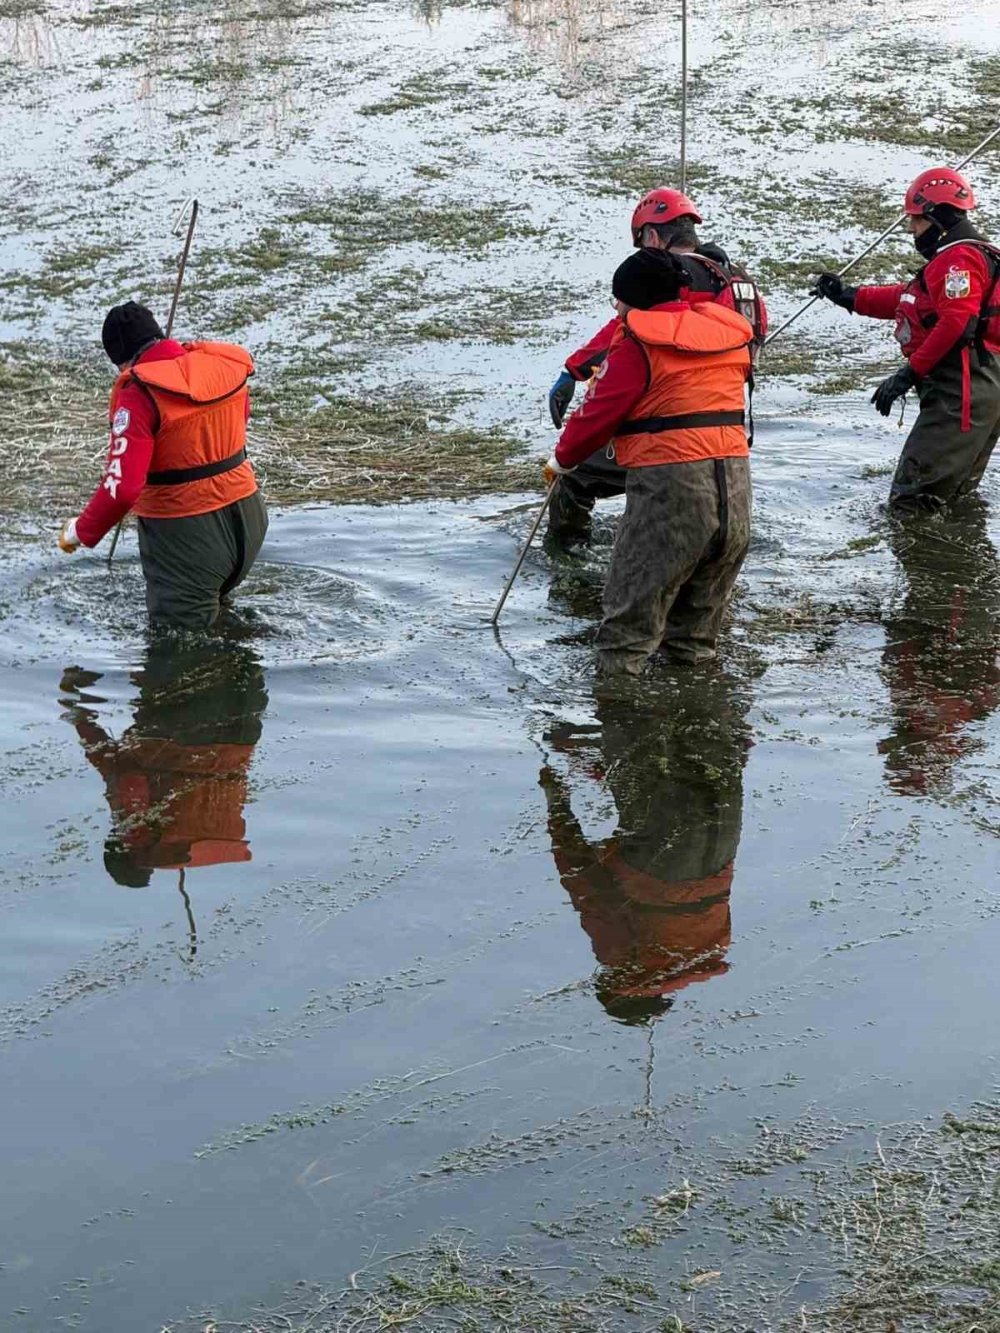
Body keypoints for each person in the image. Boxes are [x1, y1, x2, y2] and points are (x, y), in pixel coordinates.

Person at [545, 248, 754, 675]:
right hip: (735, 490)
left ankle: (620, 724)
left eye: (618, 300)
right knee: (694, 642)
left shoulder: (638, 344)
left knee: (625, 638)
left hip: (673, 493)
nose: (617, 309)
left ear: (634, 301)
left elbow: (599, 414)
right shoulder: (728, 337)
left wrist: (561, 459)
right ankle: (701, 728)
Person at [546, 187, 766, 541]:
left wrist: (574, 370)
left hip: (672, 439)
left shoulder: (673, 281)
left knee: (574, 478)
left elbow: (630, 332)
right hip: (732, 441)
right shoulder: (739, 284)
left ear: (651, 235)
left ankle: (569, 560)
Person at [540, 672, 749, 1024]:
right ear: (613, 985)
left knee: (702, 732)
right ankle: (623, 681)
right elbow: (584, 885)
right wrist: (556, 803)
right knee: (630, 731)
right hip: (660, 859)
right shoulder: (625, 962)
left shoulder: (711, 951)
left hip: (722, 843)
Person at [57, 301, 268, 628]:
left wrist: (80, 531)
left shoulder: (138, 394)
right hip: (250, 520)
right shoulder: (221, 366)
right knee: (221, 628)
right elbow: (239, 420)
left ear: (122, 360)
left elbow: (123, 488)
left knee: (177, 657)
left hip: (189, 538)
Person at [814, 167, 1000, 515]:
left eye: (917, 221)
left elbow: (957, 323)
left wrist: (907, 375)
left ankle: (925, 565)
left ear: (937, 218)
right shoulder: (968, 256)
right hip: (980, 389)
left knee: (911, 502)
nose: (912, 229)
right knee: (953, 498)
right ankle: (962, 566)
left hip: (961, 391)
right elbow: (910, 300)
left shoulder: (958, 258)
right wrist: (848, 296)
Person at [59, 636, 267, 911]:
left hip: (243, 728)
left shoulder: (199, 843)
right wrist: (76, 707)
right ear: (121, 845)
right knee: (173, 636)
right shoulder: (137, 833)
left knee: (233, 635)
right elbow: (130, 779)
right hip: (189, 725)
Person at [878, 499, 1000, 796]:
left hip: (956, 613)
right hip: (963, 616)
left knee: (928, 512)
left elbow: (900, 647)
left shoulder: (912, 699)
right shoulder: (966, 712)